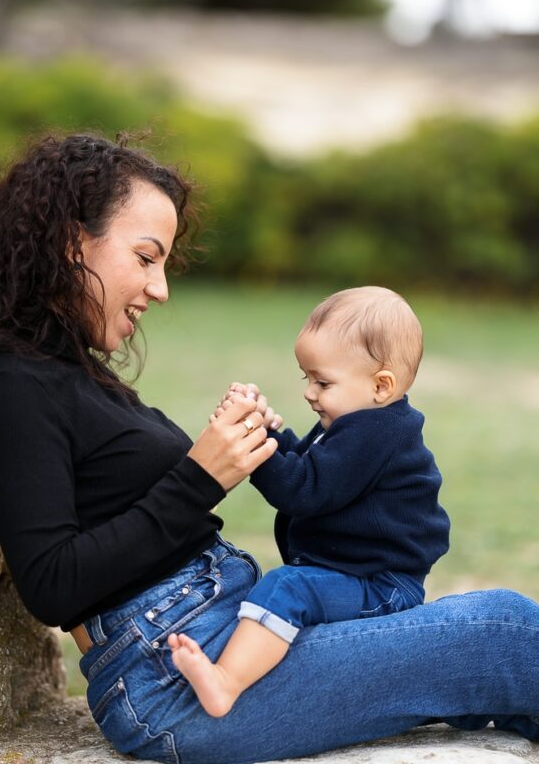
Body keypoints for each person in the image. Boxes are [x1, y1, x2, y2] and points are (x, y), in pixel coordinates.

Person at [0, 132, 539, 764]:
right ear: (69, 240)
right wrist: (202, 475)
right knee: (498, 633)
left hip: (220, 634)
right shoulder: (9, 383)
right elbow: (53, 584)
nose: (160, 287)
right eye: (146, 258)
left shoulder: (67, 370)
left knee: (492, 648)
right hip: (175, 679)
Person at [168, 286, 450, 717]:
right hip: (360, 572)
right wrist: (264, 430)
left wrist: (252, 450)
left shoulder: (376, 433)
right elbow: (309, 463)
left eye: (322, 381)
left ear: (381, 385)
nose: (309, 392)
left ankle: (225, 683)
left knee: (287, 586)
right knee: (289, 587)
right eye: (307, 379)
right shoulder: (362, 422)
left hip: (382, 585)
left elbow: (303, 489)